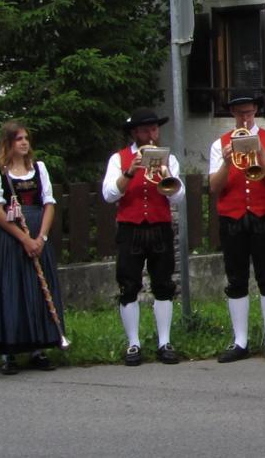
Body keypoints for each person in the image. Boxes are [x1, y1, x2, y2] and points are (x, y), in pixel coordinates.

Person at [101, 108, 186, 366]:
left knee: (163, 284)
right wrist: (129, 172)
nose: (152, 135)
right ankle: (133, 343)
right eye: (146, 130)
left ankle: (164, 342)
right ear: (134, 133)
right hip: (131, 229)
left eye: (155, 129)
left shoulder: (167, 159)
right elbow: (108, 195)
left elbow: (178, 196)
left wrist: (165, 174)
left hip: (159, 227)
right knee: (129, 285)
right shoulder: (119, 158)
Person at [209, 91, 265, 364]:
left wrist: (260, 152)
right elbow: (214, 187)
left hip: (263, 215)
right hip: (232, 218)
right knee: (236, 279)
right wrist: (227, 161)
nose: (244, 117)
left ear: (256, 111)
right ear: (232, 113)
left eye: (249, 112)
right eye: (240, 112)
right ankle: (240, 340)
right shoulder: (220, 145)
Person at [0, 121, 63, 374]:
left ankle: (38, 348)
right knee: (11, 290)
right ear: (8, 143)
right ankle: (9, 351)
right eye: (18, 139)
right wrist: (24, 239)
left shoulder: (38, 169)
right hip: (11, 239)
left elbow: (48, 203)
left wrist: (41, 237)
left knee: (38, 290)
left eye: (26, 138)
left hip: (38, 234)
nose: (24, 143)